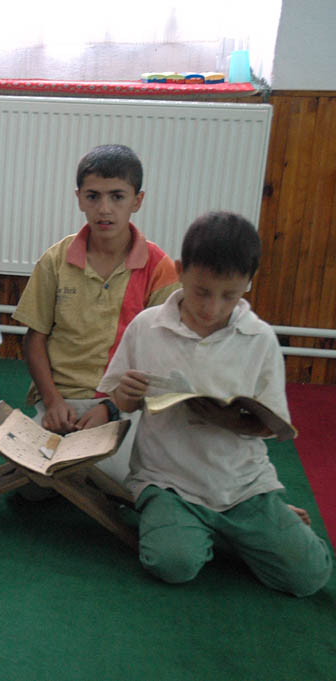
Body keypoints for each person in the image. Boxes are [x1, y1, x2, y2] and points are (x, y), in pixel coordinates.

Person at [98, 212, 331, 596]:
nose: (212, 307)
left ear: (248, 285)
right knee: (172, 564)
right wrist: (127, 393)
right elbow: (121, 399)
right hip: (168, 481)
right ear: (180, 271)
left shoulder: (259, 339)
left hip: (242, 485)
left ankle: (251, 525)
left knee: (309, 577)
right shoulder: (148, 326)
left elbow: (272, 426)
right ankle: (205, 530)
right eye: (201, 292)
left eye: (229, 296)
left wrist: (230, 420)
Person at [12, 144, 178, 483]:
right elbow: (35, 338)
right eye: (93, 196)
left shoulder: (159, 267)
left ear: (137, 201)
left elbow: (161, 355)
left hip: (122, 406)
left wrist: (110, 407)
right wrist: (53, 401)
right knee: (30, 483)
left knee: (114, 476)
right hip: (61, 403)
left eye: (117, 196)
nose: (104, 209)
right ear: (79, 199)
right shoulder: (56, 260)